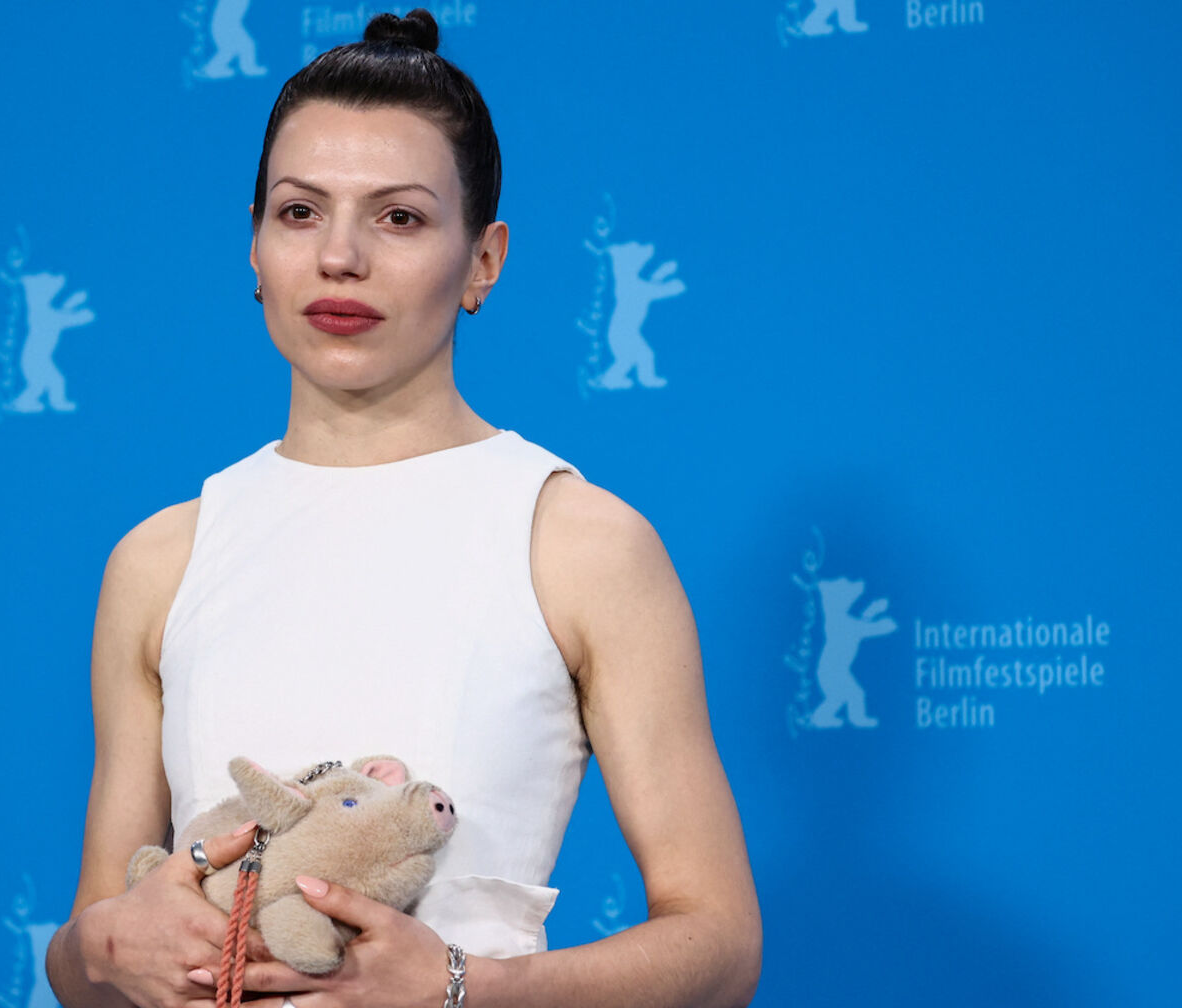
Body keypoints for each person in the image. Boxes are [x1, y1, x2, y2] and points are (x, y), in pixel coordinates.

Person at [45, 10, 760, 1007]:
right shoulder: (161, 558)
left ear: (483, 260)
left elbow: (720, 946)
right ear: (253, 246)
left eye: (400, 217)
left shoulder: (578, 543)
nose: (340, 257)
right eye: (299, 212)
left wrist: (462, 985)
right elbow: (88, 954)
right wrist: (107, 951)